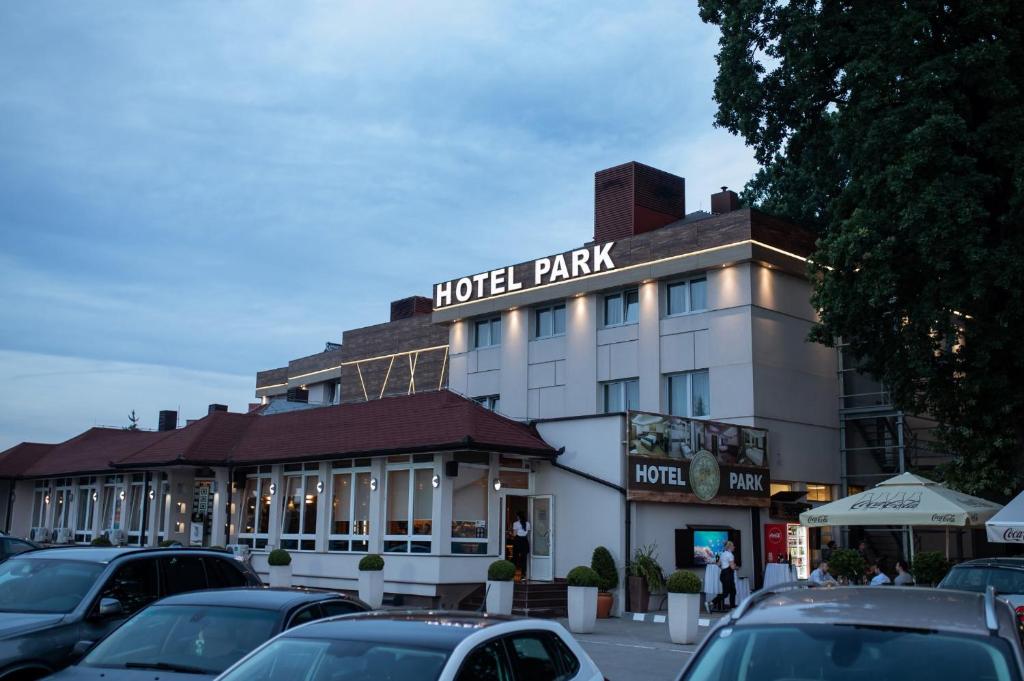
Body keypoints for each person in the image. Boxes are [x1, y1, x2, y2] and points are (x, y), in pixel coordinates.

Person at [712, 541, 737, 611]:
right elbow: (732, 567)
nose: (734, 547)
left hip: (723, 574)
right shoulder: (730, 555)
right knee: (732, 591)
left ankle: (711, 603)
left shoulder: (722, 554)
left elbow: (718, 564)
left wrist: (724, 567)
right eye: (733, 546)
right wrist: (736, 567)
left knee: (726, 593)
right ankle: (732, 607)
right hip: (728, 575)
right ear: (730, 547)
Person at [511, 512, 530, 580]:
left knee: (515, 557)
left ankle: (512, 574)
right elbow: (527, 534)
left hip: (517, 540)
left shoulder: (515, 523)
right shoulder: (527, 523)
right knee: (524, 559)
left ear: (518, 516)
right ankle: (523, 575)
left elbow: (514, 534)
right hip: (524, 541)